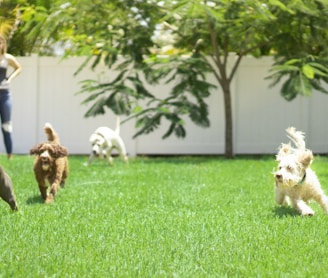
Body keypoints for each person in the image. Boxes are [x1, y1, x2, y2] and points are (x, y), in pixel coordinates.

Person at [0, 34, 22, 160]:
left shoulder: (7, 58)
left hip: (5, 95)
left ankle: (10, 155)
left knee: (6, 126)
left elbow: (19, 68)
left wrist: (10, 79)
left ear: (3, 44)